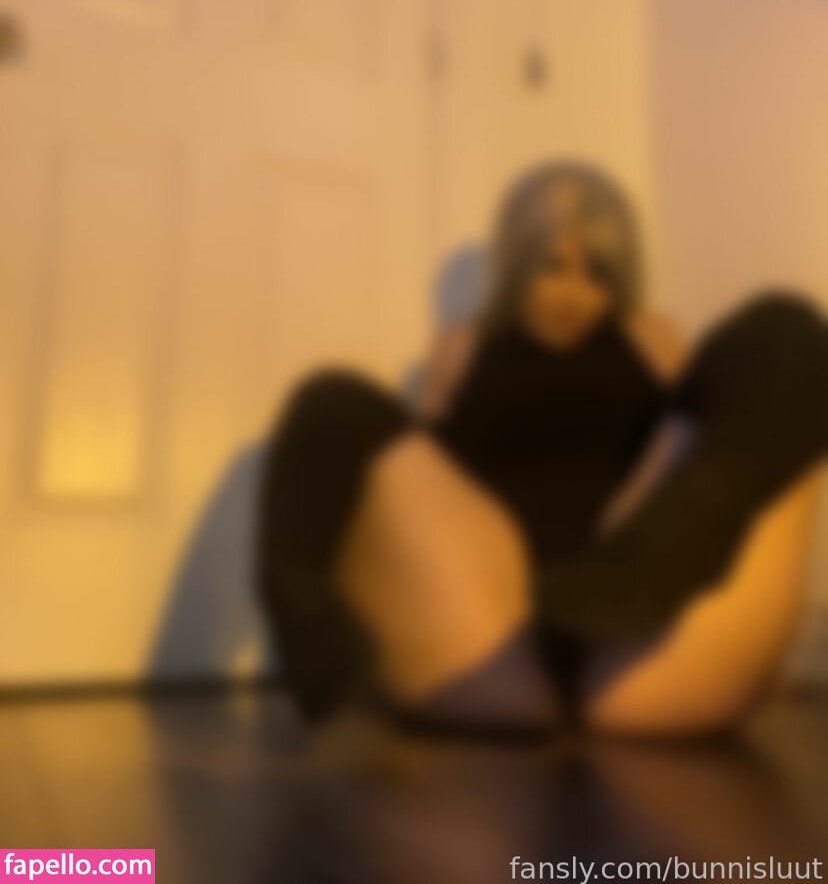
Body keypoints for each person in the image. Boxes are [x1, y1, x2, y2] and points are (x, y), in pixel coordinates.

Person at [255, 161, 828, 737]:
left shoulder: (652, 339)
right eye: (551, 268)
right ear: (518, 263)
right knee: (331, 398)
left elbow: (697, 438)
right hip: (491, 637)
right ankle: (303, 615)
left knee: (786, 329)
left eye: (598, 275)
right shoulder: (461, 347)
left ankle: (648, 565)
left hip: (635, 637)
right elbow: (419, 487)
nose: (573, 294)